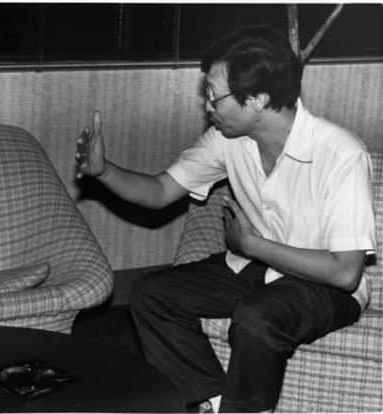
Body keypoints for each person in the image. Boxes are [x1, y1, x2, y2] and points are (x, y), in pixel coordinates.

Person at [75, 26, 375, 413]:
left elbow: (345, 273)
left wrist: (251, 245)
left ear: (258, 99)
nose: (207, 107)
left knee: (257, 317)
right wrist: (103, 172)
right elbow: (159, 191)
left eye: (214, 96)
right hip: (257, 269)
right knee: (152, 294)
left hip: (326, 286)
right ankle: (220, 404)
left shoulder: (340, 153)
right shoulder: (227, 139)